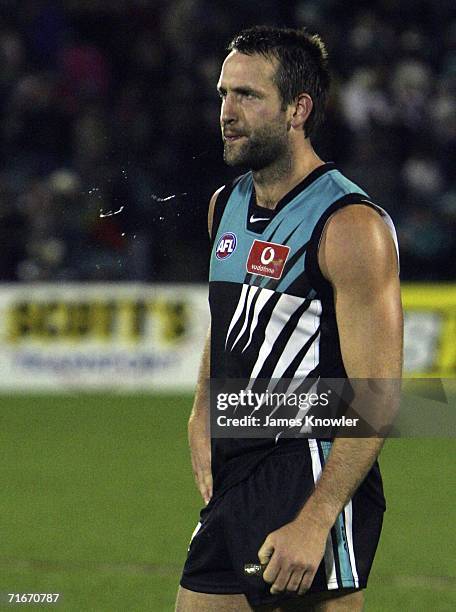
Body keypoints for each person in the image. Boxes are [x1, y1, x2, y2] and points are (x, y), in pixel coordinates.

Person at [175, 25, 402, 611]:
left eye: (248, 96)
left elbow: (378, 396)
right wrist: (204, 409)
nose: (227, 112)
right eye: (224, 94)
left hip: (311, 468)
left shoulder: (352, 226)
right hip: (238, 467)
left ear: (298, 109)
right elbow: (225, 320)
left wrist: (318, 518)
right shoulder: (224, 206)